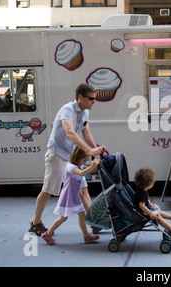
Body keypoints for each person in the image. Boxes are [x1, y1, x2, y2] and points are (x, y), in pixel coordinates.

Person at [29, 83, 104, 235]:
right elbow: (70, 133)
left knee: (83, 189)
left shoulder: (85, 113)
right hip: (57, 154)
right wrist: (88, 150)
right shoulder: (67, 110)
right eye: (91, 98)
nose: (94, 102)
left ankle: (94, 222)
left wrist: (95, 150)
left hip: (71, 158)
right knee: (48, 189)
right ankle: (35, 223)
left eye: (95, 99)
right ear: (80, 97)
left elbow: (86, 133)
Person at [41, 147, 100, 245]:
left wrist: (97, 164)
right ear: (77, 157)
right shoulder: (71, 167)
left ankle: (86, 236)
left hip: (75, 196)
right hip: (68, 197)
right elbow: (82, 173)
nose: (84, 163)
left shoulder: (79, 166)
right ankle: (47, 234)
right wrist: (93, 165)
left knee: (82, 215)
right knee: (63, 217)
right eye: (84, 160)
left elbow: (88, 170)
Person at [133, 167, 171, 238]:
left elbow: (142, 200)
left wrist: (148, 202)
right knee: (158, 216)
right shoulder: (142, 193)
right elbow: (141, 205)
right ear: (148, 184)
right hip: (143, 213)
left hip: (144, 210)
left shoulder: (141, 190)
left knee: (159, 211)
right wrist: (150, 213)